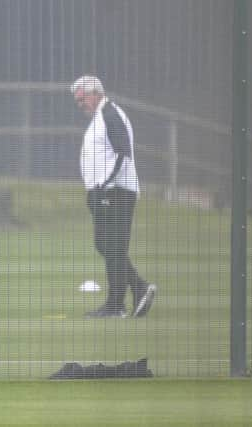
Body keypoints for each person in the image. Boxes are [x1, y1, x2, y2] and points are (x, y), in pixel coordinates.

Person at [70, 75, 156, 318]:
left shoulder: (110, 115)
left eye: (82, 99)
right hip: (106, 191)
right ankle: (134, 290)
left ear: (96, 92)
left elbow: (123, 154)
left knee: (113, 245)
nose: (80, 104)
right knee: (106, 244)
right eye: (77, 101)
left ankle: (118, 303)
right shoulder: (101, 117)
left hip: (116, 192)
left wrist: (104, 185)